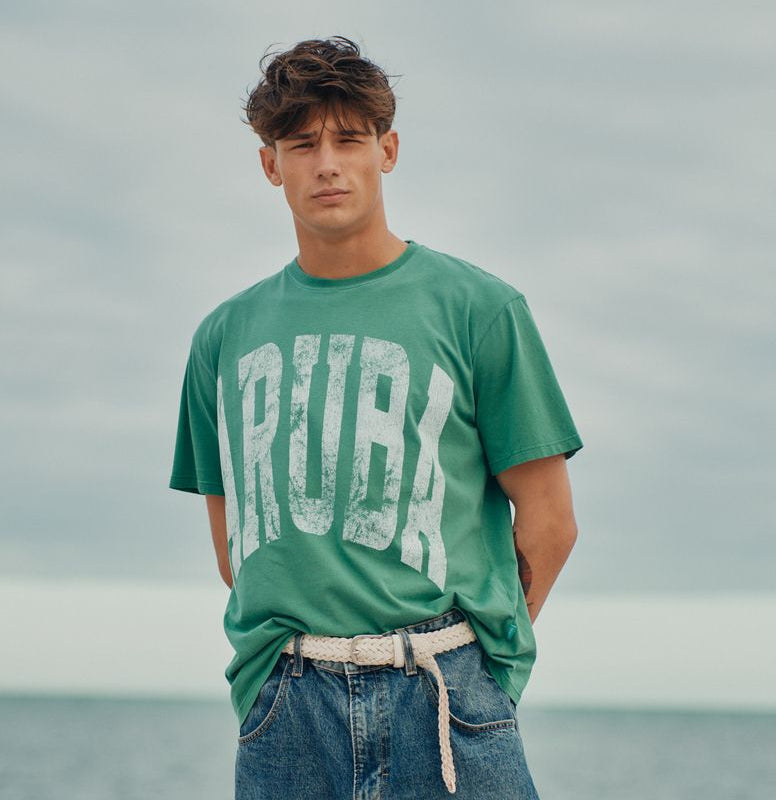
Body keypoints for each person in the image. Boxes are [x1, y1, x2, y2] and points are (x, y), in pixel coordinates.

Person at [169, 35, 583, 800]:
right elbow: (237, 546)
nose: (327, 163)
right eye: (300, 144)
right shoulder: (223, 338)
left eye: (349, 140)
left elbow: (550, 522)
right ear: (270, 164)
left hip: (444, 693)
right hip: (287, 711)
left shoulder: (479, 310)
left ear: (386, 150)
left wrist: (483, 673)